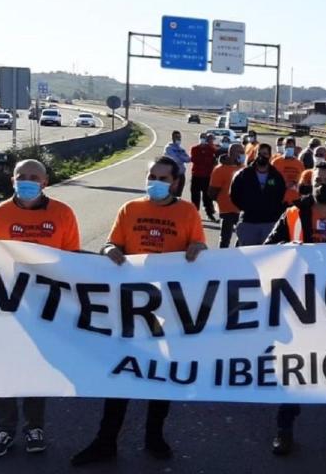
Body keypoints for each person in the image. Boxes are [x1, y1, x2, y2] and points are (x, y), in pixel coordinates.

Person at [72, 157, 207, 466]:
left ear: (174, 183)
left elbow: (199, 248)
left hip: (169, 308)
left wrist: (199, 249)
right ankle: (105, 441)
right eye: (151, 176)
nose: (155, 182)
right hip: (130, 306)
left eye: (162, 177)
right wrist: (109, 251)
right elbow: (111, 244)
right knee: (121, 373)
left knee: (161, 374)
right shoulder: (130, 210)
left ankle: (154, 437)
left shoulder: (187, 212)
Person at [264, 162, 326, 455]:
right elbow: (268, 248)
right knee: (295, 370)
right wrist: (289, 248)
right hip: (300, 305)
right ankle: (284, 431)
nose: (323, 185)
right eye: (317, 180)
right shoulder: (293, 213)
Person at [0, 159, 80, 459]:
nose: (27, 180)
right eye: (21, 176)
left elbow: (73, 260)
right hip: (7, 307)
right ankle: (4, 429)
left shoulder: (63, 214)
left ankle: (34, 427)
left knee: (37, 368)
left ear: (45, 182)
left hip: (45, 305)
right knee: (4, 370)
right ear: (13, 180)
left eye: (33, 176)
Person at [230, 142, 289, 246]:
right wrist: (246, 207)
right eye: (259, 153)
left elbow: (281, 194)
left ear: (270, 156)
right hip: (249, 221)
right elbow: (234, 194)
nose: (262, 156)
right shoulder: (244, 174)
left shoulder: (276, 176)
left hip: (269, 222)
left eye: (265, 154)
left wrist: (272, 209)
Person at [208, 143, 246, 248]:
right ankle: (222, 257)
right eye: (241, 152)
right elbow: (212, 192)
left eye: (244, 152)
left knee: (243, 236)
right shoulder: (219, 170)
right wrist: (222, 200)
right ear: (232, 153)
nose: (243, 155)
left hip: (241, 209)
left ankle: (237, 256)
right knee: (225, 238)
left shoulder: (244, 168)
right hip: (226, 209)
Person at [189, 132, 219, 221]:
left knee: (207, 197)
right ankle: (195, 214)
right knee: (195, 196)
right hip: (196, 175)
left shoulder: (211, 149)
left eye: (204, 137)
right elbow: (194, 159)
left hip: (207, 176)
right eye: (201, 137)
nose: (202, 139)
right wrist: (206, 159)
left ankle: (210, 214)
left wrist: (207, 160)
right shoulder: (194, 148)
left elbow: (215, 159)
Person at [272, 136, 305, 206]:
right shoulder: (275, 162)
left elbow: (303, 183)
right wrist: (282, 185)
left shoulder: (300, 164)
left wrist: (296, 184)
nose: (289, 149)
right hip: (279, 200)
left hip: (296, 201)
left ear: (294, 148)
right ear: (283, 147)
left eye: (291, 147)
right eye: (286, 147)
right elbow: (269, 182)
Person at [163, 130, 191, 197]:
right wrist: (182, 158)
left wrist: (180, 157)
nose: (178, 138)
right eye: (176, 137)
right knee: (171, 194)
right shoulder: (168, 148)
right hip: (172, 175)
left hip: (181, 174)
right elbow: (175, 159)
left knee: (178, 195)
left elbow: (188, 159)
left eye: (179, 137)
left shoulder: (181, 149)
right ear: (172, 137)